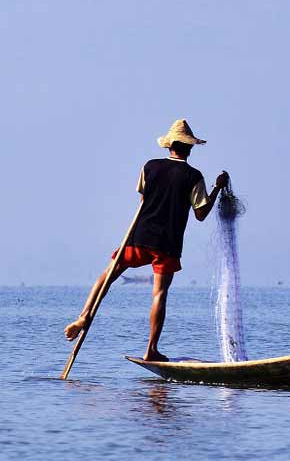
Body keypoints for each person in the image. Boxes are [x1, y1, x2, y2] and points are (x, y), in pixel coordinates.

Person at [63, 119, 229, 362]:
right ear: (189, 148)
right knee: (159, 294)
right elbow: (201, 214)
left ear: (169, 146)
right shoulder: (193, 176)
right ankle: (151, 349)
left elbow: (143, 199)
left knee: (107, 275)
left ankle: (85, 315)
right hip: (167, 244)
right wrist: (216, 187)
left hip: (138, 236)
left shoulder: (149, 167)